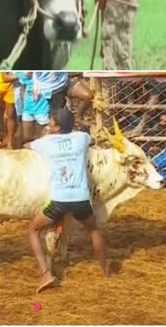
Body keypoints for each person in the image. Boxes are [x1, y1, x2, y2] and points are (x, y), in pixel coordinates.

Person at [25, 108, 109, 293]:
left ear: (57, 127)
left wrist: (46, 135)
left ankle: (46, 274)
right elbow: (91, 139)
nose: (49, 124)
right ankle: (105, 270)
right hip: (81, 199)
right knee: (94, 229)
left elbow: (26, 147)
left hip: (58, 201)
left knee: (33, 229)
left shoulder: (45, 143)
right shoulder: (81, 138)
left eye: (51, 122)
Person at [17, 72, 51, 143]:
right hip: (28, 108)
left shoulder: (44, 76)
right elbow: (22, 88)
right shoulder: (21, 74)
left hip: (42, 109)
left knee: (41, 138)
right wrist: (25, 104)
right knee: (26, 137)